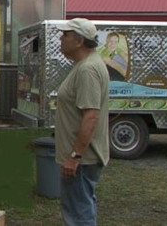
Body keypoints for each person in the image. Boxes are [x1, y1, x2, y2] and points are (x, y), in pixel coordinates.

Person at [55, 18, 110, 226]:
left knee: (79, 215)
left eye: (65, 35)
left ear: (79, 41)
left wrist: (74, 157)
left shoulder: (87, 69)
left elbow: (91, 116)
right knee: (82, 206)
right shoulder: (86, 65)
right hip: (81, 159)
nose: (61, 38)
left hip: (81, 160)